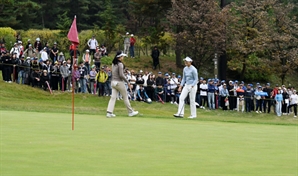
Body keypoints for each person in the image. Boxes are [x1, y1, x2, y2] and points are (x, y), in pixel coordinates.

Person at [106, 51, 139, 118]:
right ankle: (130, 112)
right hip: (119, 82)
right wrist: (127, 82)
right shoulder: (120, 64)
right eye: (122, 56)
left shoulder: (113, 63)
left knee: (113, 98)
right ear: (119, 57)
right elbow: (121, 75)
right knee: (125, 97)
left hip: (113, 82)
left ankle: (109, 112)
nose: (123, 57)